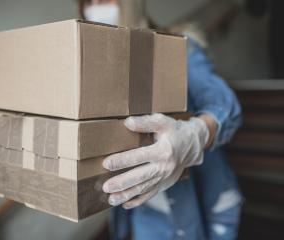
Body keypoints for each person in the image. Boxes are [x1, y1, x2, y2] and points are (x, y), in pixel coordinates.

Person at [78, 0, 243, 239]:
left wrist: (196, 134)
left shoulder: (177, 45)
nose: (96, 5)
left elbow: (225, 103)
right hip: (147, 207)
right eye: (88, 1)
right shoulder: (95, 68)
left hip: (206, 199)